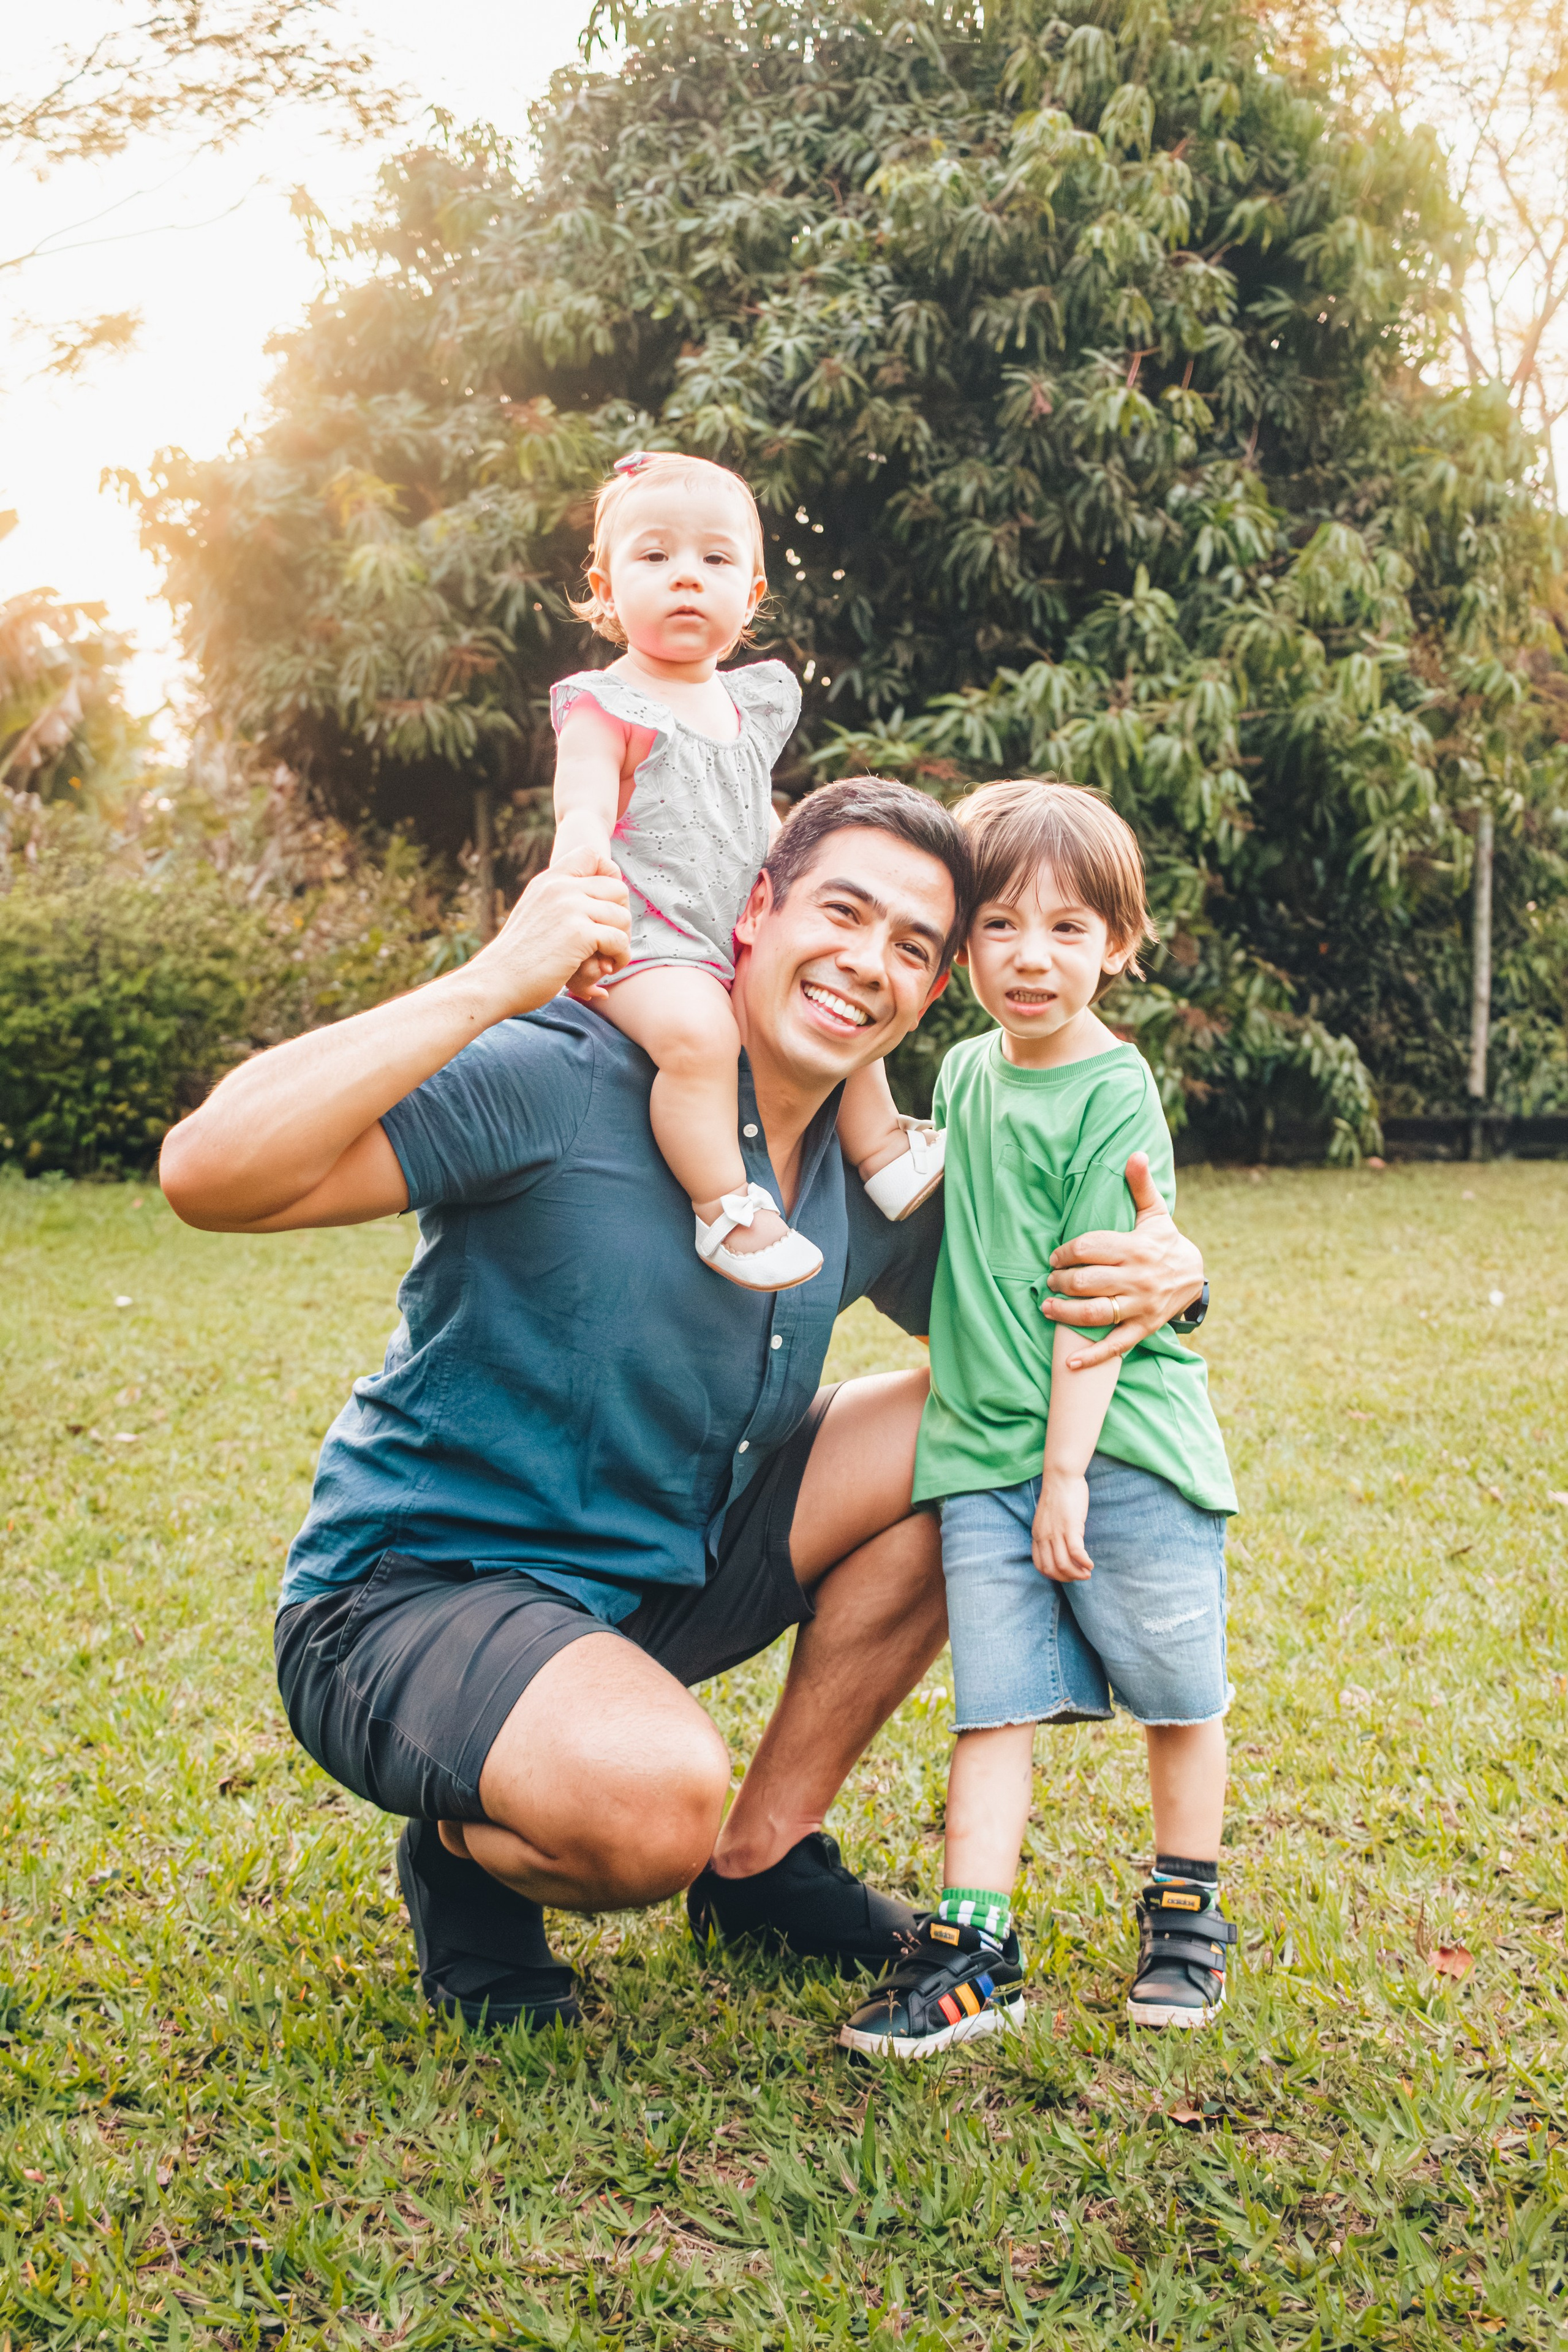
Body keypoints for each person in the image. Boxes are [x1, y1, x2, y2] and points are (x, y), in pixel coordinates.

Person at [158, 774, 1207, 2034]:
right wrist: (499, 974)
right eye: (841, 911)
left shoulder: (875, 1180)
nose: (864, 961)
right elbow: (207, 1177)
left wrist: (1175, 1278)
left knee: (971, 1438)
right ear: (755, 908)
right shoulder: (569, 1077)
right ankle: (463, 1840)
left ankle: (761, 1864)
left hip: (660, 1573)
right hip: (412, 1594)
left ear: (932, 992)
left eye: (912, 946)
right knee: (652, 1802)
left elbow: (1034, 1318)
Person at [839, 779, 1237, 2060]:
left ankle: (1183, 1914)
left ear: (1115, 946)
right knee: (991, 1706)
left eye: (1068, 929)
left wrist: (1064, 1472)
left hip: (1119, 1448)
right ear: (961, 952)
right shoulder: (961, 1070)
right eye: (1000, 926)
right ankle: (974, 1952)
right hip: (980, 1450)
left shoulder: (1113, 1094)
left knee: (1177, 1693)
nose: (1030, 957)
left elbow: (1091, 1299)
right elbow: (911, 1173)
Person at [550, 451, 936, 1293]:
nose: (687, 578)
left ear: (752, 593)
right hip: (649, 944)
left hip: (732, 933)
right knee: (702, 1040)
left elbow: (765, 823)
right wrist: (577, 856)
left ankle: (883, 1150)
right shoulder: (606, 704)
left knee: (839, 982)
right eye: (654, 557)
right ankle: (726, 1207)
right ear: (606, 585)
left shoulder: (745, 705)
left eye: (715, 560)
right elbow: (580, 804)